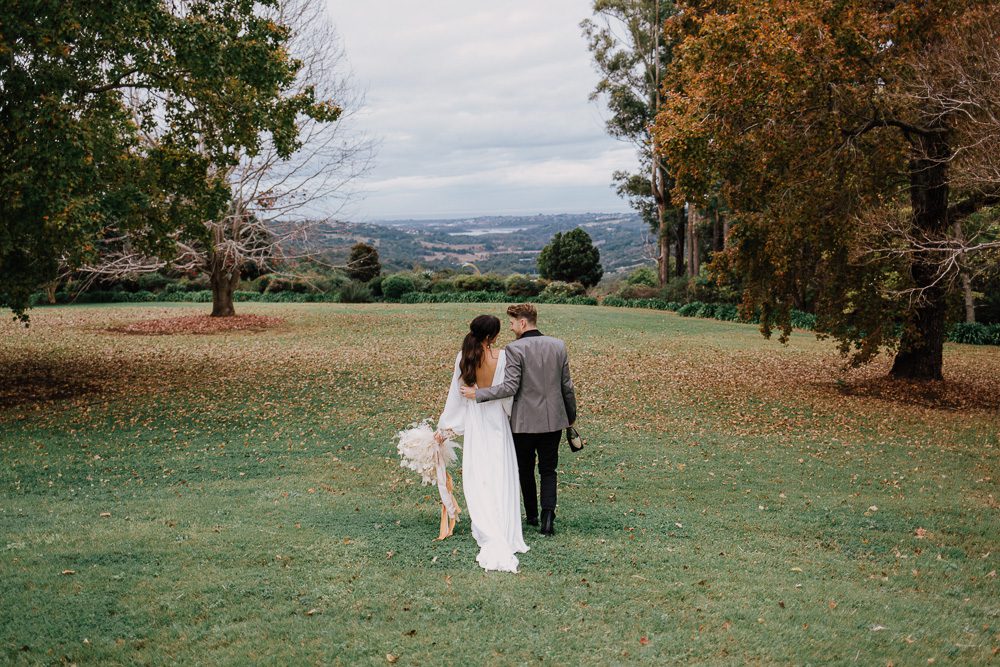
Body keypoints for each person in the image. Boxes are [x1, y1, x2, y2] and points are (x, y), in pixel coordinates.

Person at [461, 304, 576, 536]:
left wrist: (479, 394)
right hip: (553, 421)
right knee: (548, 469)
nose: (511, 327)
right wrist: (570, 418)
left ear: (523, 323)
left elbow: (510, 387)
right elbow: (567, 387)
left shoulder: (514, 349)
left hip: (523, 423)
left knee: (525, 469)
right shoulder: (558, 346)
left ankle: (532, 515)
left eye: (513, 323)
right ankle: (547, 517)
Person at [435, 315, 529, 572]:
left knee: (479, 473)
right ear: (492, 336)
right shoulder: (503, 357)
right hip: (497, 419)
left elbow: (455, 398)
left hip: (476, 421)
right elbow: (509, 391)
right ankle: (502, 522)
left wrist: (446, 427)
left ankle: (485, 522)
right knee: (500, 472)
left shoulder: (463, 357)